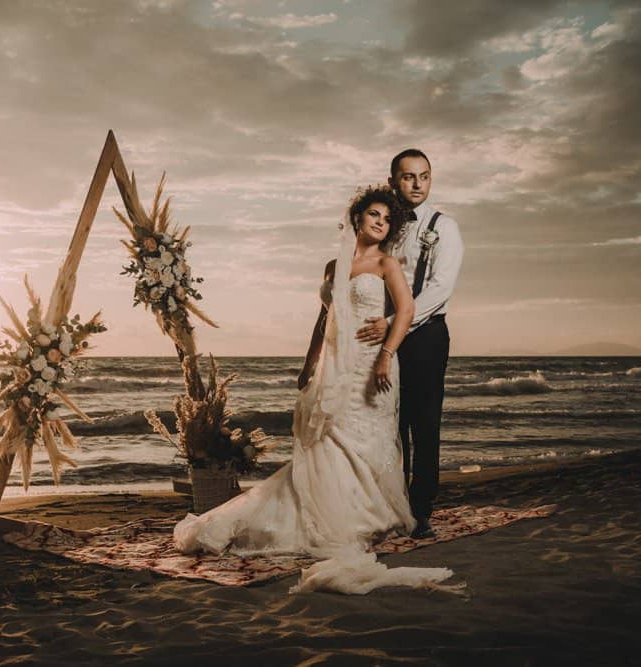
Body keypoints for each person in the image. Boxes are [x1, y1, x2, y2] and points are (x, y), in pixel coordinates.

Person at [173, 186, 455, 595]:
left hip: (372, 362)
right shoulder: (332, 265)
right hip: (335, 364)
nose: (380, 222)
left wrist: (385, 353)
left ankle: (365, 515)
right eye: (374, 214)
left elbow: (407, 310)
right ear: (357, 217)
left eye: (387, 218)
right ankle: (329, 510)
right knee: (327, 438)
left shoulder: (387, 264)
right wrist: (309, 363)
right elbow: (324, 319)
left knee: (365, 440)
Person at [355, 149, 464, 539]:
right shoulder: (384, 225)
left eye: (424, 176)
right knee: (387, 422)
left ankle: (421, 509)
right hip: (380, 335)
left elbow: (440, 288)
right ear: (392, 182)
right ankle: (390, 503)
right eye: (408, 177)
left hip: (425, 335)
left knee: (423, 422)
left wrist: (392, 322)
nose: (417, 184)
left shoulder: (443, 227)